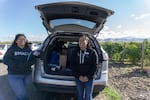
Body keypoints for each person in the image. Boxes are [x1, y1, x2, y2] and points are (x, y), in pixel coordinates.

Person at [3, 34, 36, 100]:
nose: (22, 40)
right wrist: (19, 65)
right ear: (16, 41)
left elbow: (33, 60)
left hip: (27, 75)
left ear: (26, 40)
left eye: (24, 39)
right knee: (22, 94)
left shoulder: (28, 50)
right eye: (20, 39)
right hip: (14, 75)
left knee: (19, 94)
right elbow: (5, 60)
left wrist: (36, 55)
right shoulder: (12, 49)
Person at [71, 34, 97, 100]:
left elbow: (95, 66)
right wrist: (79, 76)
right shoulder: (75, 52)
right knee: (80, 96)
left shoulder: (92, 53)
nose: (81, 42)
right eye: (80, 40)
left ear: (87, 41)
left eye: (83, 40)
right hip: (78, 78)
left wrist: (87, 77)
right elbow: (72, 65)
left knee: (88, 96)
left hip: (89, 79)